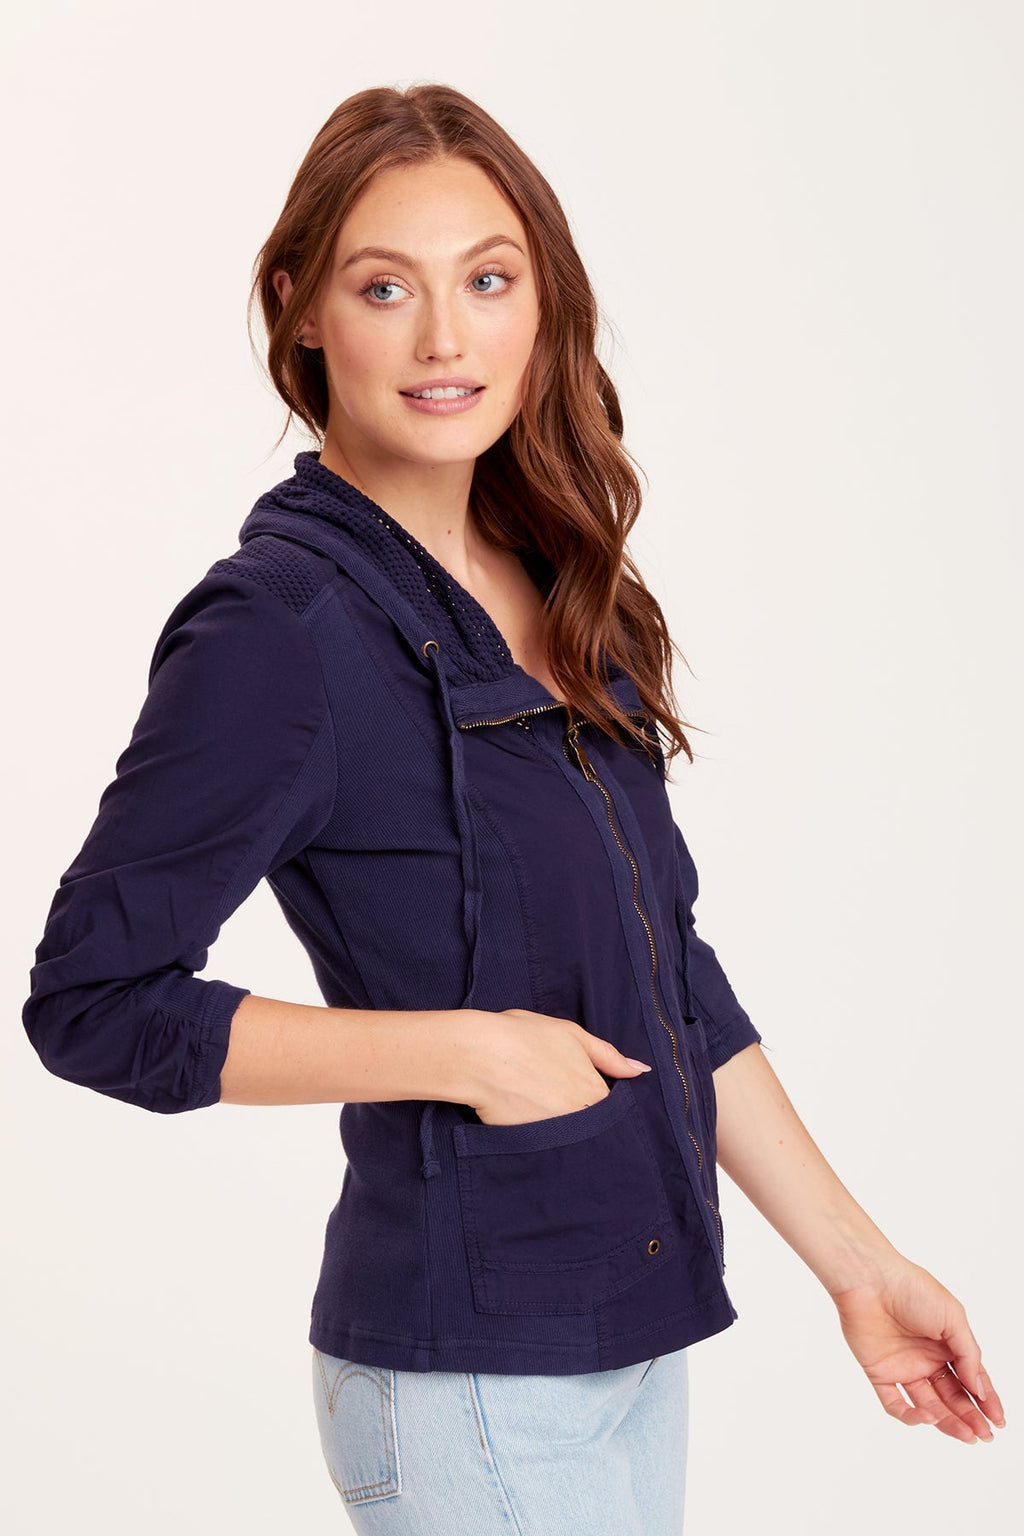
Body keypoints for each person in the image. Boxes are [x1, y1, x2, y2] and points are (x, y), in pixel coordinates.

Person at [22, 82, 1004, 1533]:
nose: (444, 338)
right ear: (300, 309)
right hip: (471, 1384)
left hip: (626, 1345)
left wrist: (861, 1267)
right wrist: (458, 1050)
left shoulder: (555, 585)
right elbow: (94, 1002)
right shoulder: (279, 631)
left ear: (543, 307)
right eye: (384, 287)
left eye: (487, 281)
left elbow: (670, 976)